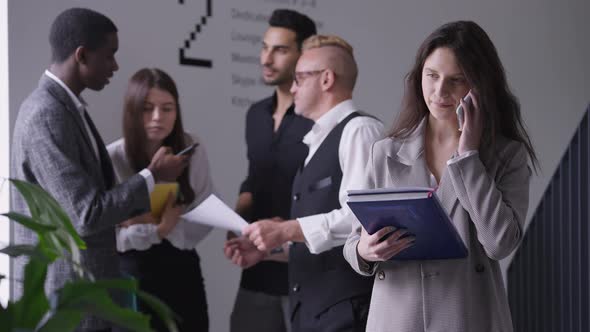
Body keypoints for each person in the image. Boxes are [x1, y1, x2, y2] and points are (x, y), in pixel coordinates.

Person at [342, 21, 539, 332]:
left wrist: (468, 157)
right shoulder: (385, 152)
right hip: (396, 319)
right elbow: (354, 241)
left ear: (479, 85)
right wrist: (365, 252)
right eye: (431, 75)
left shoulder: (505, 156)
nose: (439, 91)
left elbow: (499, 244)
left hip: (469, 316)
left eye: (456, 80)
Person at [10, 8, 186, 332]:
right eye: (110, 55)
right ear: (81, 55)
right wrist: (152, 177)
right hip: (67, 303)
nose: (116, 66)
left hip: (88, 297)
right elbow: (86, 215)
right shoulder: (47, 114)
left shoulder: (68, 109)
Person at [227, 35, 384, 332]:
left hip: (346, 313)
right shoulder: (317, 140)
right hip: (312, 314)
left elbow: (360, 218)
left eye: (300, 78)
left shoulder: (360, 131)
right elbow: (324, 239)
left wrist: (286, 228)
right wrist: (271, 248)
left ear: (326, 79)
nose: (293, 88)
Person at [223, 9, 316, 332]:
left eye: (280, 49)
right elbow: (254, 178)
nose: (266, 58)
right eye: (265, 47)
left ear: (303, 55)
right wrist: (235, 217)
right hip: (255, 272)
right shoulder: (255, 115)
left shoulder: (319, 119)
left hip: (303, 274)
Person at [107, 68, 214, 332]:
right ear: (132, 110)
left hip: (181, 266)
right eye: (147, 108)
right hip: (131, 271)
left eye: (167, 108)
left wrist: (137, 221)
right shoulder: (113, 157)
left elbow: (204, 208)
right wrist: (160, 228)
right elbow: (108, 233)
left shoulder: (191, 146)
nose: (158, 117)